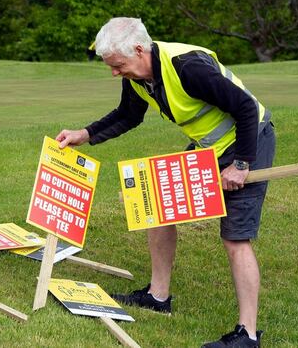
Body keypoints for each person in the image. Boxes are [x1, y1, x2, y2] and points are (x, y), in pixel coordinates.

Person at [56, 18, 276, 348]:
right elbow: (128, 115)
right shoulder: (138, 74)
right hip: (208, 147)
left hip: (249, 141)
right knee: (156, 207)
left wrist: (241, 164)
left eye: (118, 66)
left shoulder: (187, 67)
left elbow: (245, 107)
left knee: (235, 237)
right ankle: (158, 297)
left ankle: (248, 335)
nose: (115, 73)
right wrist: (84, 135)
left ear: (139, 50)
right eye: (111, 67)